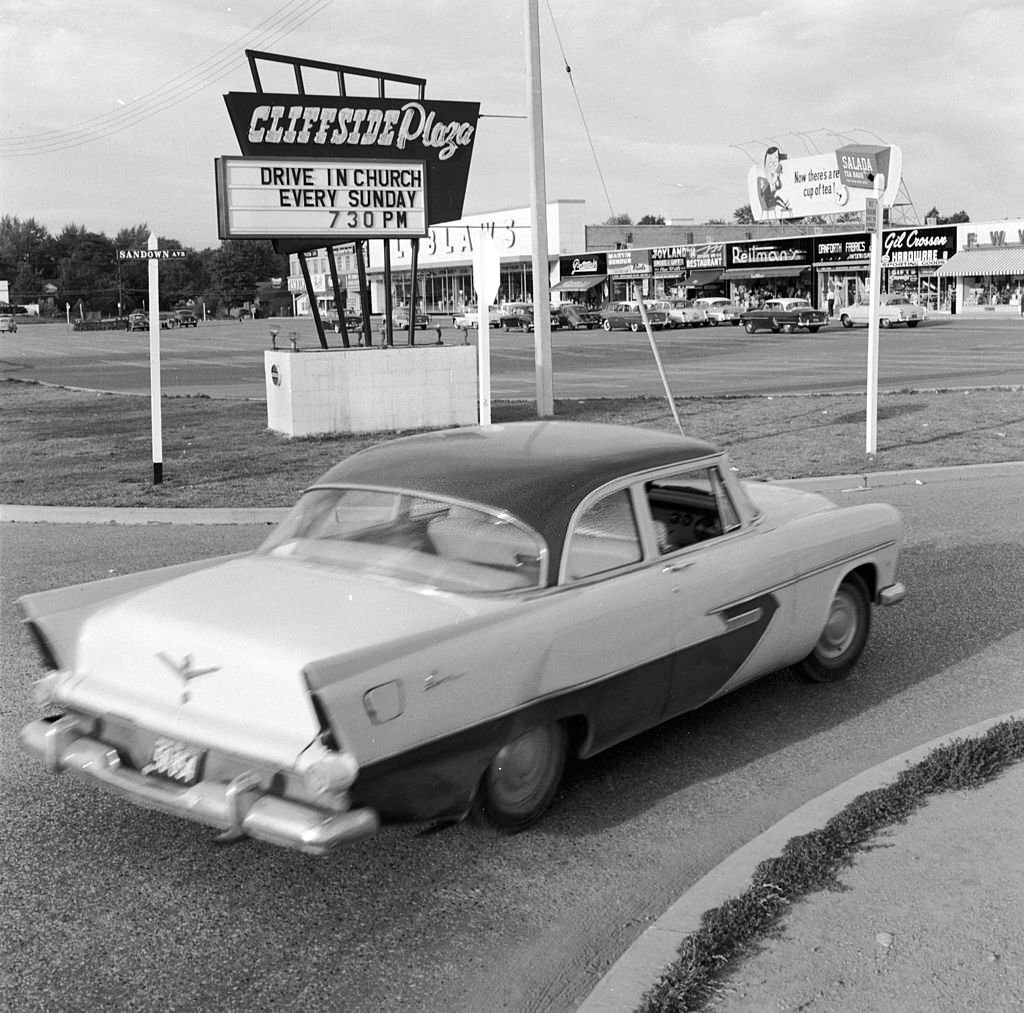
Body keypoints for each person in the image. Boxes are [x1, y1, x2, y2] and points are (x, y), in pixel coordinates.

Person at [756, 146, 791, 216]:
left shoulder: (771, 180)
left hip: (771, 199)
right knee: (777, 200)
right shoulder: (767, 179)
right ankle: (785, 206)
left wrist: (778, 178)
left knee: (777, 198)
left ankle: (785, 205)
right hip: (768, 202)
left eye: (775, 162)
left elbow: (778, 187)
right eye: (770, 163)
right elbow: (771, 186)